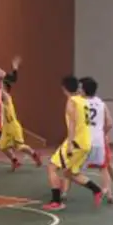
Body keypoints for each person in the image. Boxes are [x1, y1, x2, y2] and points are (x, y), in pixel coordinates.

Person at [43, 75, 104, 211]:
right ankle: (97, 190)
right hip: (85, 141)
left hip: (75, 141)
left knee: (52, 167)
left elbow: (72, 123)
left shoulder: (72, 101)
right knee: (70, 173)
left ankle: (56, 201)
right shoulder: (83, 100)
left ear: (63, 88)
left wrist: (70, 143)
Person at [80, 76, 113, 201]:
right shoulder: (101, 103)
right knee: (104, 166)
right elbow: (110, 123)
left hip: (83, 140)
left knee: (70, 165)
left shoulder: (79, 103)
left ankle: (62, 194)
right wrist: (103, 133)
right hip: (99, 139)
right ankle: (110, 192)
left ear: (83, 89)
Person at [0, 77, 42, 170]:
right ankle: (15, 161)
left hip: (13, 126)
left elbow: (0, 91)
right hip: (5, 127)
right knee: (3, 147)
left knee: (20, 147)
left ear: (5, 88)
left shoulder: (7, 98)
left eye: (2, 86)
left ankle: (34, 154)